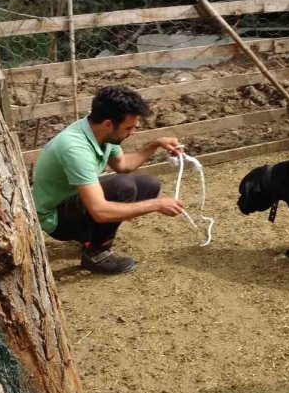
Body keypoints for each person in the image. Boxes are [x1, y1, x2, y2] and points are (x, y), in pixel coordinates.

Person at [32, 85, 184, 274]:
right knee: (123, 186)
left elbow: (123, 165)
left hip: (74, 203)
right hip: (56, 219)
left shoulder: (100, 133)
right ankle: (96, 254)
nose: (133, 132)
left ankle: (90, 235)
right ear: (108, 124)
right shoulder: (75, 148)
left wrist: (156, 144)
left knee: (148, 186)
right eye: (129, 127)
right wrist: (157, 205)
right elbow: (100, 211)